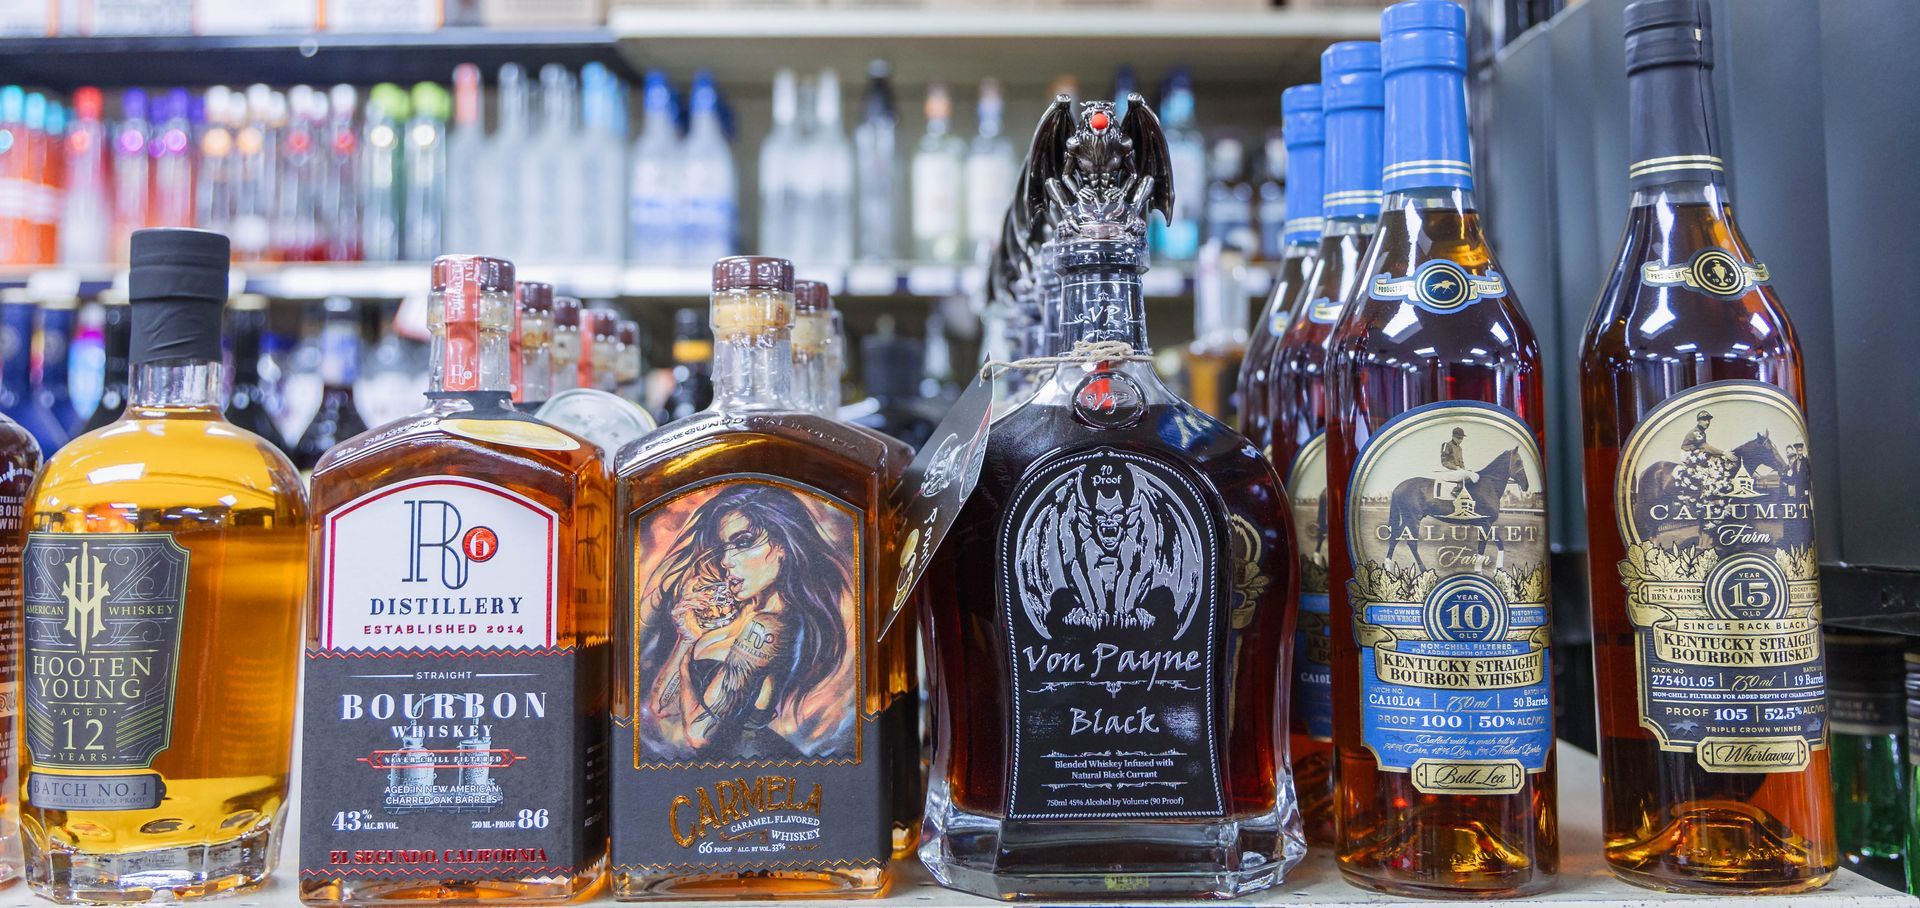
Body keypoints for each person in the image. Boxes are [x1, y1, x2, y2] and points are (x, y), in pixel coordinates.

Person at [637, 484, 854, 762]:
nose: (727, 560)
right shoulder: (739, 614)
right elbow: (662, 706)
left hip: (755, 767)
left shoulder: (767, 629)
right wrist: (687, 640)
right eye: (725, 547)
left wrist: (686, 663)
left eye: (742, 542)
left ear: (782, 547)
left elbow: (699, 734)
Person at [1433, 426, 1479, 500]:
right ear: (1453, 437)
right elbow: (1444, 462)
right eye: (1458, 438)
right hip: (1449, 471)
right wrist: (1456, 468)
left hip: (1458, 472)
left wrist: (1464, 469)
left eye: (1461, 438)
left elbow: (1461, 462)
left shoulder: (1460, 448)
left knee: (1474, 475)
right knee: (1466, 474)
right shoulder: (1446, 445)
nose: (1460, 440)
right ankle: (1456, 491)